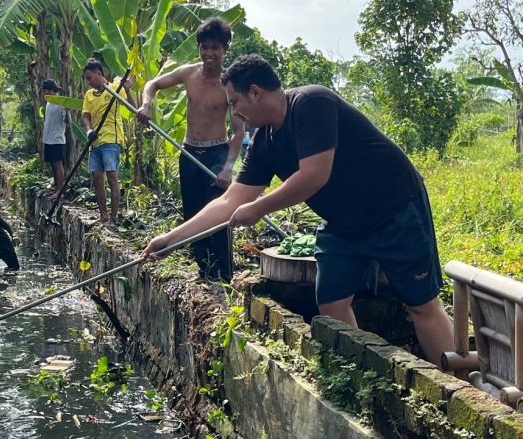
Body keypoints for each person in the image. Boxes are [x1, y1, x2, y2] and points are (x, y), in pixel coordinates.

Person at [142, 54, 454, 367]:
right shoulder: (264, 143)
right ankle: (357, 373)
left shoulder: (311, 103)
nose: (234, 112)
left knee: (420, 305)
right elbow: (229, 201)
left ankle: (458, 381)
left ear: (255, 92)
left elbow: (314, 175)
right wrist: (171, 239)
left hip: (394, 208)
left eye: (235, 102)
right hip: (345, 224)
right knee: (332, 304)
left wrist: (258, 207)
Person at [137, 17, 244, 283]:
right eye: (204, 47)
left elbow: (238, 131)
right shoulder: (188, 73)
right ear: (198, 47)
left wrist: (227, 168)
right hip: (189, 152)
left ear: (225, 49)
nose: (209, 53)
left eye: (215, 48)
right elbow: (152, 84)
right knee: (193, 213)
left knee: (218, 215)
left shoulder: (229, 84)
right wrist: (146, 104)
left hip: (217, 154)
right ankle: (204, 271)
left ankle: (224, 275)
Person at [81, 58, 135, 226]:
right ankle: (103, 215)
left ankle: (113, 218)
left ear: (99, 73)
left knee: (112, 177)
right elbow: (86, 116)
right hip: (95, 142)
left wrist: (127, 89)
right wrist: (89, 130)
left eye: (90, 78)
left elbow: (132, 107)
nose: (89, 82)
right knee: (97, 179)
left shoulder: (114, 89)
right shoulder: (89, 95)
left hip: (111, 141)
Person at [41, 79, 68, 198]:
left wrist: (67, 110)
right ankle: (56, 187)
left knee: (58, 164)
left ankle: (59, 191)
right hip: (48, 138)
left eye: (45, 91)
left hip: (57, 138)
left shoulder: (60, 103)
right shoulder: (49, 103)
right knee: (53, 164)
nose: (44, 93)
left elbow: (66, 120)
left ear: (52, 90)